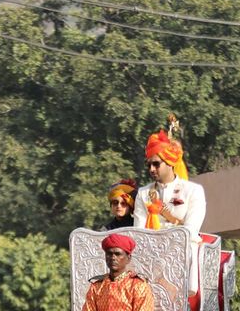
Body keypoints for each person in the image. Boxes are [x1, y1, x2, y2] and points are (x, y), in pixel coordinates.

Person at [133, 119, 206, 300]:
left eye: (156, 164)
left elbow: (190, 230)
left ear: (170, 162)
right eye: (148, 164)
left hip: (182, 253)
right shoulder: (143, 193)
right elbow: (138, 232)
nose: (151, 169)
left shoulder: (193, 191)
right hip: (150, 255)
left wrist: (168, 227)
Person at [82, 233, 155, 311]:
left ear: (128, 258)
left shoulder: (138, 286)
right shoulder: (97, 286)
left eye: (118, 254)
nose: (113, 258)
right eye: (109, 254)